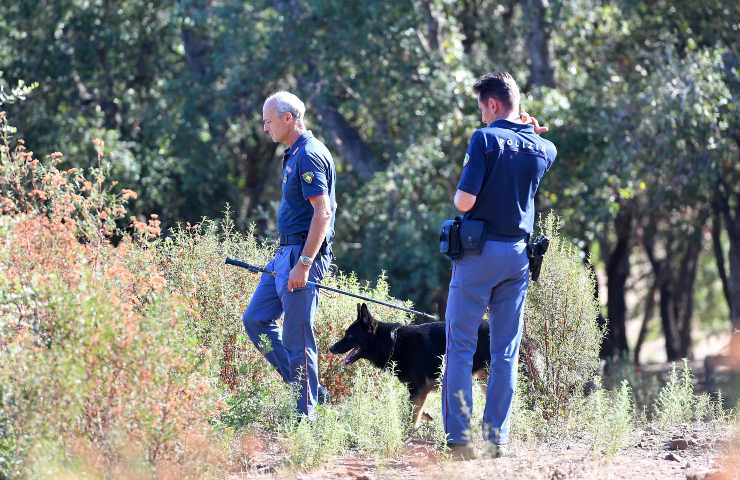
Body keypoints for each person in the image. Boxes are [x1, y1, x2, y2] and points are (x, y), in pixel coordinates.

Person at [441, 72, 556, 458]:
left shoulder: (485, 139)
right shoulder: (543, 149)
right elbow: (542, 144)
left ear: (492, 104)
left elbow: (463, 202)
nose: (481, 117)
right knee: (506, 350)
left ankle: (459, 440)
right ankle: (495, 441)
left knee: (460, 346)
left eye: (481, 109)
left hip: (479, 255)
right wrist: (531, 129)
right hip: (518, 257)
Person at [242, 91, 336, 419]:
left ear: (288, 118)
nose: (264, 127)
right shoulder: (293, 153)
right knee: (255, 319)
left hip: (302, 254)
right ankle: (307, 389)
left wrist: (305, 263)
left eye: (268, 121)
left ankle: (305, 418)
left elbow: (322, 214)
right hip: (285, 253)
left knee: (298, 338)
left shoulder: (309, 154)